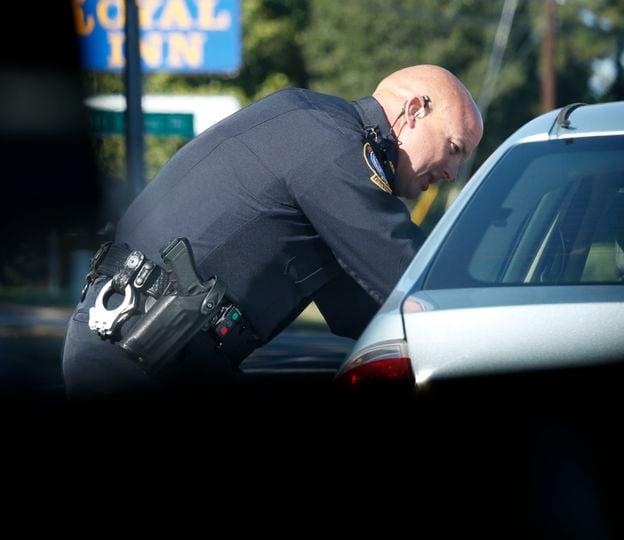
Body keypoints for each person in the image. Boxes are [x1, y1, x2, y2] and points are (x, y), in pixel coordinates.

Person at [62, 64, 483, 398]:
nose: (451, 171)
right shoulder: (329, 146)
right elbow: (409, 274)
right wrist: (493, 330)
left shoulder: (315, 128)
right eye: (454, 148)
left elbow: (361, 306)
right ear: (413, 112)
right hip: (140, 351)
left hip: (150, 348)